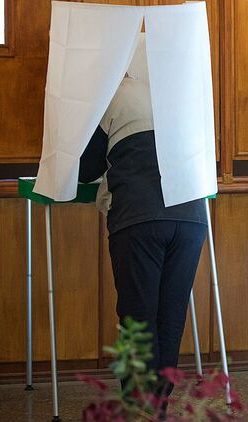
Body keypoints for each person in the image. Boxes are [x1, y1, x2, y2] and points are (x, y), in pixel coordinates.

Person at [78, 74, 208, 396]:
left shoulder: (111, 93)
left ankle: (140, 406)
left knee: (138, 319)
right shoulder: (177, 86)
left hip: (139, 216)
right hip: (191, 217)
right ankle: (157, 406)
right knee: (170, 318)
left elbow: (85, 169)